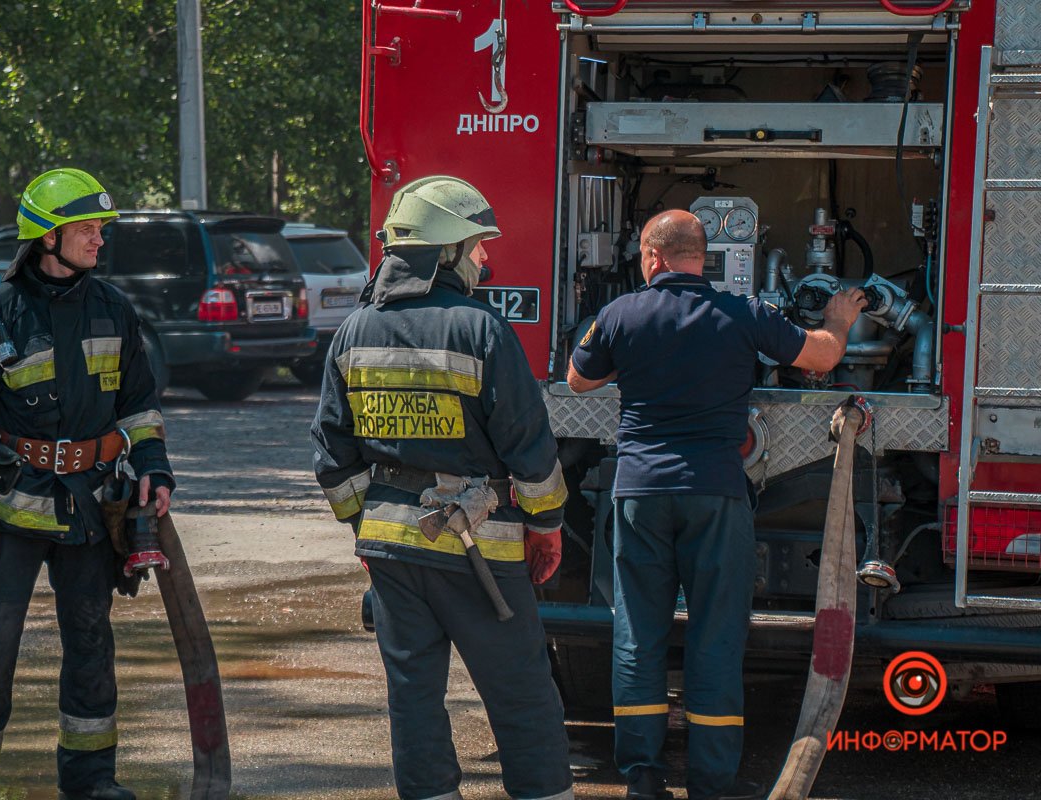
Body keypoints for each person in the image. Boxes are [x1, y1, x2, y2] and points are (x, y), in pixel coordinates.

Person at [567, 209, 867, 800]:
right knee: (716, 636)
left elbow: (578, 381)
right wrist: (838, 316)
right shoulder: (743, 313)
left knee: (638, 633)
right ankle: (711, 780)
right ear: (701, 259)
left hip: (640, 495)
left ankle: (643, 777)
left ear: (651, 258)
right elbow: (823, 357)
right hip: (716, 493)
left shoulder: (620, 314)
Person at [311, 175, 574, 800]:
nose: (486, 257)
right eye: (476, 244)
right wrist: (547, 525)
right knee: (521, 694)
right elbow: (530, 452)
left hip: (391, 553)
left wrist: (366, 529)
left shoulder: (353, 331)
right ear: (445, 253)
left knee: (413, 696)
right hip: (478, 551)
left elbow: (331, 453)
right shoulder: (481, 330)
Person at [0, 167, 174, 800]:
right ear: (47, 237)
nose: (99, 241)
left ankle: (92, 781)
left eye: (101, 229)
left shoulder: (115, 309)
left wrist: (153, 468)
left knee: (92, 648)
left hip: (91, 510)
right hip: (10, 514)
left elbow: (140, 407)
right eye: (87, 229)